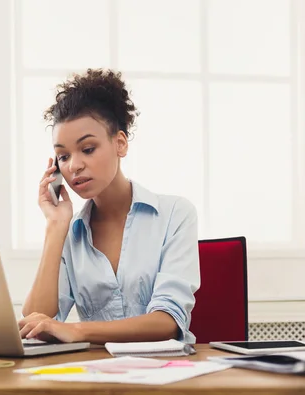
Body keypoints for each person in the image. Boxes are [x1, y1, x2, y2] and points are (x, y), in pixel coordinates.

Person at [18, 69, 200, 345]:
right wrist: (55, 226)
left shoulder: (175, 214)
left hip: (164, 373)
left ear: (120, 143)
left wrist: (78, 331)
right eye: (63, 156)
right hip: (95, 375)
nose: (74, 166)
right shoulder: (70, 233)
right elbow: (36, 321)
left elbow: (168, 321)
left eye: (88, 149)